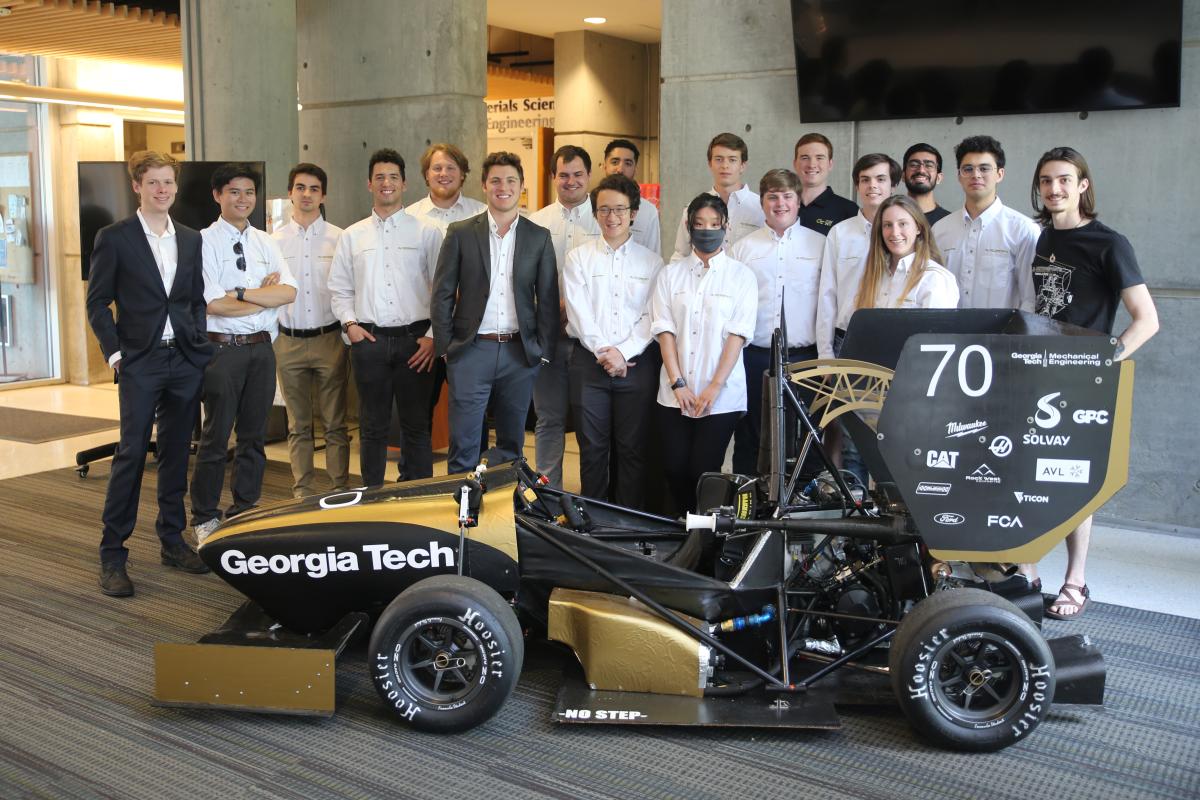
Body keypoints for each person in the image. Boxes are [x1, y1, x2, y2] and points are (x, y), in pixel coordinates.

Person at [1023, 146, 1159, 620]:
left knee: (1074, 482)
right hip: (1037, 375)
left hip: (1083, 382)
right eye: (1045, 181)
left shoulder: (1110, 243)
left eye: (1064, 180)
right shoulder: (1042, 240)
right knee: (1029, 474)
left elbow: (1147, 320)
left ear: (1082, 185)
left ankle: (1076, 580)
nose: (1054, 188)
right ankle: (1028, 570)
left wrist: (1103, 361)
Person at [85, 150, 213, 595]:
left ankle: (171, 541)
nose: (163, 190)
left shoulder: (192, 238)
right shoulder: (115, 237)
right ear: (137, 186)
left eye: (168, 183)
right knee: (132, 453)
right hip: (139, 360)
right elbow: (97, 301)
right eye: (153, 182)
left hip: (183, 359)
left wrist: (197, 345)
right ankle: (113, 553)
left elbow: (194, 299)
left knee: (178, 452)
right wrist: (116, 354)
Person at [431, 151, 559, 474]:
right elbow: (442, 294)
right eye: (496, 180)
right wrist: (447, 348)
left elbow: (546, 297)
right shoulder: (460, 232)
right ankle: (460, 521)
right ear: (484, 185)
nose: (504, 187)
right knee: (464, 445)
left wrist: (541, 352)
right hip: (471, 350)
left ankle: (505, 520)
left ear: (521, 186)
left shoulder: (538, 237)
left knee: (511, 447)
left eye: (511, 181)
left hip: (519, 354)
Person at [191, 163, 297, 542]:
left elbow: (288, 292)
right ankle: (205, 516)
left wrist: (238, 293)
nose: (243, 199)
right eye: (234, 191)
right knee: (216, 437)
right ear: (218, 195)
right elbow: (212, 305)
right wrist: (259, 300)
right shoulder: (201, 242)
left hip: (261, 351)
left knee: (255, 437)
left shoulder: (267, 242)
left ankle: (245, 509)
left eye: (249, 192)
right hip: (222, 352)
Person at [328, 148, 443, 487]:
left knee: (416, 425)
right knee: (372, 426)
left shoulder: (427, 231)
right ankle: (372, 498)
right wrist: (351, 326)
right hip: (370, 341)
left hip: (416, 342)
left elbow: (443, 289)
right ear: (369, 184)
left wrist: (434, 335)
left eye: (393, 177)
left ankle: (418, 497)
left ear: (405, 183)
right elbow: (339, 288)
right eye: (379, 177)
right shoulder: (352, 235)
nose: (386, 183)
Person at [652, 194, 757, 516]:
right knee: (673, 468)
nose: (707, 230)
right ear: (689, 227)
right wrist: (678, 383)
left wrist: (714, 386)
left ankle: (706, 538)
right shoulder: (671, 275)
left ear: (726, 226)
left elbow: (737, 335)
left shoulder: (742, 276)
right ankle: (683, 527)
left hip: (721, 396)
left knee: (704, 470)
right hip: (675, 393)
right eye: (700, 224)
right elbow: (664, 330)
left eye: (714, 224)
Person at [563, 174, 663, 508]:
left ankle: (629, 522)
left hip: (637, 366)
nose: (612, 217)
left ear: (633, 213)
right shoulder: (578, 257)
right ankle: (592, 521)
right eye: (604, 209)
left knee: (633, 450)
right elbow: (578, 314)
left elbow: (652, 317)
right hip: (588, 364)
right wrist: (607, 354)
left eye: (620, 209)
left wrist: (623, 352)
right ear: (595, 213)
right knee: (591, 449)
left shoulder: (652, 262)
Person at [727, 168, 826, 475]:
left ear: (798, 202)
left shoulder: (821, 245)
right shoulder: (743, 249)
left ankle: (805, 510)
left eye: (787, 196)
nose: (780, 203)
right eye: (772, 197)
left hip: (805, 357)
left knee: (808, 435)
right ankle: (747, 507)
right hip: (755, 355)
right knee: (751, 434)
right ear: (762, 202)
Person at [271, 163, 349, 498]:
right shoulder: (272, 242)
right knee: (297, 425)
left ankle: (339, 489)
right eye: (300, 187)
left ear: (323, 195)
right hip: (287, 341)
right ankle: (302, 493)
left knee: (335, 423)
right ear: (290, 193)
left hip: (329, 339)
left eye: (314, 189)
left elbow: (348, 289)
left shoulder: (340, 238)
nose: (306, 194)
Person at [528, 144, 601, 488]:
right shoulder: (536, 221)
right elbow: (523, 279)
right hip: (548, 338)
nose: (571, 181)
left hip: (590, 340)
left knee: (591, 423)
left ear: (589, 176)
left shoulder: (604, 219)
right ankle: (548, 497)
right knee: (549, 420)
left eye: (578, 174)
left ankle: (592, 500)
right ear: (553, 177)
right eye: (564, 175)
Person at [932, 135, 1038, 310]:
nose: (976, 175)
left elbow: (1030, 299)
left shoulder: (1022, 230)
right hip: (948, 334)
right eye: (968, 169)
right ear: (959, 175)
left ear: (1000, 174)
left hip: (1001, 336)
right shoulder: (940, 230)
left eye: (984, 168)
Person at [815, 153, 901, 359]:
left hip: (894, 336)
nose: (872, 185)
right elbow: (827, 293)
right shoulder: (839, 233)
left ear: (893, 185)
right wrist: (825, 353)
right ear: (857, 186)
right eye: (865, 180)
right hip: (846, 338)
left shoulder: (904, 234)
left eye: (880, 179)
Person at [670, 133, 766, 260]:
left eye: (732, 160)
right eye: (718, 159)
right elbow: (681, 255)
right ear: (710, 163)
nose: (725, 165)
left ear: (742, 165)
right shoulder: (693, 208)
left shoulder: (761, 208)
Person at [853, 195, 958, 311]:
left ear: (918, 228)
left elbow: (936, 328)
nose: (895, 232)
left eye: (902, 224)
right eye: (888, 225)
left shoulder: (935, 278)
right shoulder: (874, 275)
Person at [406, 143, 487, 232]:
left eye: (450, 168)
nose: (444, 174)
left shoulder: (483, 214)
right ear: (427, 175)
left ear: (462, 174)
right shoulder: (409, 216)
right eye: (437, 168)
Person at [793, 132, 859, 236]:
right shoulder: (783, 206)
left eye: (819, 157)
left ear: (830, 164)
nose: (812, 164)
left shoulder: (849, 211)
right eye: (805, 158)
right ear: (795, 164)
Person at [603, 138, 661, 252]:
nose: (620, 169)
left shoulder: (649, 211)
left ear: (635, 169)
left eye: (628, 163)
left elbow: (654, 257)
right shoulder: (589, 206)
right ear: (604, 165)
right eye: (614, 162)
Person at [902, 142, 950, 226]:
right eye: (914, 165)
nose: (921, 170)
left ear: (939, 178)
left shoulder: (949, 222)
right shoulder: (889, 218)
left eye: (929, 165)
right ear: (903, 175)